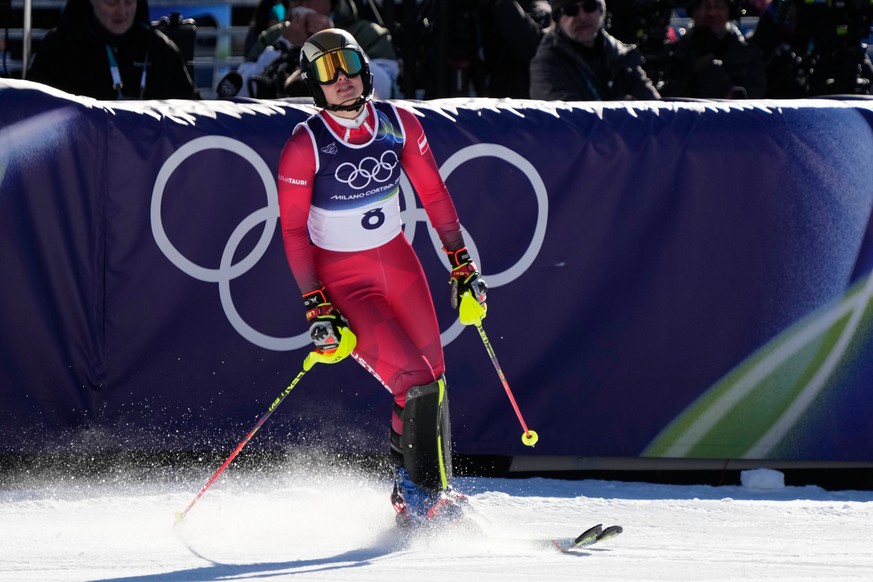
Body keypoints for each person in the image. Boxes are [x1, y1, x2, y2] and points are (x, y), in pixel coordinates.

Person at [276, 28, 488, 527]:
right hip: (345, 279)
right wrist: (316, 305)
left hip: (398, 263)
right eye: (327, 71)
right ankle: (418, 495)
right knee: (413, 382)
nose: (342, 78)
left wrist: (462, 265)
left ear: (365, 66)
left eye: (348, 62)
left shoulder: (398, 124)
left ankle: (433, 494)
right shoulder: (305, 145)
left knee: (432, 380)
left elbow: (434, 196)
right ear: (314, 84)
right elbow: (292, 231)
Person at [219, 0, 398, 100]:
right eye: (297, 0)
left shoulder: (367, 33)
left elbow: (385, 90)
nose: (305, 5)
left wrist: (335, 40)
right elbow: (238, 92)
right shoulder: (273, 37)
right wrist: (283, 45)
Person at [27, 0, 198, 100]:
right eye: (111, 2)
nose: (122, 11)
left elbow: (192, 110)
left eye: (129, 1)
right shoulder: (58, 47)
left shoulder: (160, 49)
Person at [529, 0, 660, 101]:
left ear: (601, 11)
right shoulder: (546, 64)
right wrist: (625, 108)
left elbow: (655, 110)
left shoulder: (621, 54)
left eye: (589, 6)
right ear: (559, 19)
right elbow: (571, 125)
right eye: (571, 10)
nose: (582, 16)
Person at [658, 0, 766, 99]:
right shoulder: (674, 53)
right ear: (692, 11)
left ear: (729, 11)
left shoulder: (749, 55)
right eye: (704, 6)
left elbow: (747, 104)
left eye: (719, 6)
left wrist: (707, 65)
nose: (712, 13)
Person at [479, 0, 552, 98]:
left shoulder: (541, 9)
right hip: (491, 91)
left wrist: (504, 4)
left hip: (519, 98)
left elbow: (530, 47)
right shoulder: (486, 9)